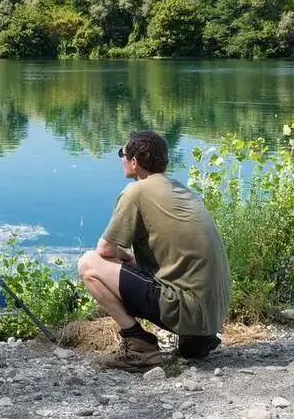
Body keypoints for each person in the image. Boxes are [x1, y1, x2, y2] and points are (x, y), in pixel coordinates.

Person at [76, 130, 231, 372]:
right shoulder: (180, 190)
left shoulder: (136, 192)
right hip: (211, 313)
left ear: (135, 162)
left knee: (88, 264)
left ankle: (138, 345)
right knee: (132, 266)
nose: (121, 159)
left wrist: (124, 258)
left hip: (186, 309)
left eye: (122, 154)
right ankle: (197, 339)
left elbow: (104, 250)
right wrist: (129, 259)